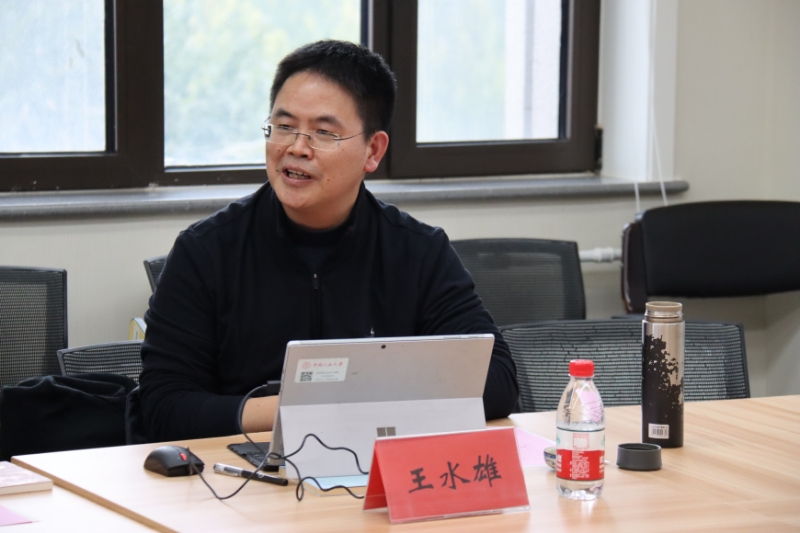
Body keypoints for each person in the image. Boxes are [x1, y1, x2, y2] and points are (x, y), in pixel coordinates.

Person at [139, 40, 519, 442]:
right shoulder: (206, 251)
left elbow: (496, 381)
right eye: (284, 126)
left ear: (373, 150)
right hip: (245, 467)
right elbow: (162, 407)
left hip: (379, 462)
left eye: (323, 133)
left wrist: (346, 405)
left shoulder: (418, 251)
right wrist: (306, 407)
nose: (296, 148)